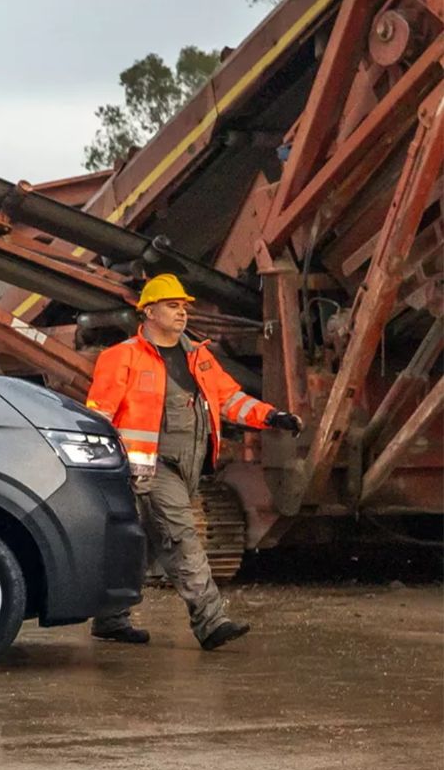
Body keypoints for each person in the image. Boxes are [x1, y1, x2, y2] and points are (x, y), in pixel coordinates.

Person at [86, 274, 302, 651]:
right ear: (149, 311)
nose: (182, 313)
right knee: (181, 535)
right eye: (172, 306)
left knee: (140, 545)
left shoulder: (198, 356)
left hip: (188, 467)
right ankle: (211, 620)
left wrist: (271, 417)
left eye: (184, 306)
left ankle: (110, 619)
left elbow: (228, 399)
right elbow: (98, 415)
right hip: (148, 468)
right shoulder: (122, 357)